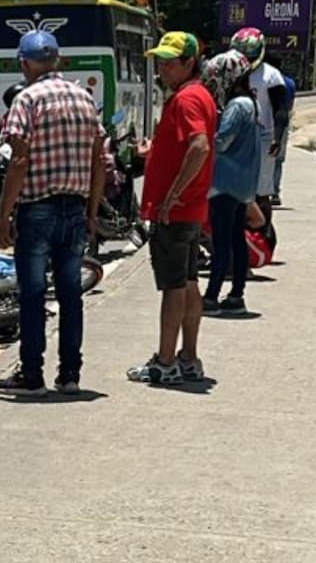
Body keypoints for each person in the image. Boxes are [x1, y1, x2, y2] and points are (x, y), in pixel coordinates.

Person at [0, 30, 104, 396]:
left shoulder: (27, 99)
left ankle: (32, 374)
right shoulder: (84, 98)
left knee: (33, 294)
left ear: (24, 63)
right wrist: (92, 210)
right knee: (71, 294)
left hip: (37, 209)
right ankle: (70, 374)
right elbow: (100, 159)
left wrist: (3, 218)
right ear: (57, 61)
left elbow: (18, 160)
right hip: (74, 209)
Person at [127, 31, 217, 386]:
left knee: (173, 287)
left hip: (176, 212)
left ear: (189, 62)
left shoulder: (186, 100)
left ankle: (165, 361)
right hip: (190, 209)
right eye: (160, 61)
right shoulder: (197, 95)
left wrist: (172, 195)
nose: (162, 68)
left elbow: (199, 146)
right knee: (190, 283)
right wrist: (155, 153)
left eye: (170, 61)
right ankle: (188, 357)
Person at [200, 50, 261, 317]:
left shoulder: (237, 106)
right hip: (243, 183)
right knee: (236, 239)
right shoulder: (250, 102)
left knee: (222, 242)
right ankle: (236, 294)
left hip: (226, 182)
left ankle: (211, 296)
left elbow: (221, 141)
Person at [230, 28, 289, 225]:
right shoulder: (229, 72)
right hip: (233, 137)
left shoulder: (271, 76)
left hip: (262, 137)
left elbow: (280, 109)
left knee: (260, 192)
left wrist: (277, 138)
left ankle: (263, 236)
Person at [272, 62, 297, 204]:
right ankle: (275, 192)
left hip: (266, 122)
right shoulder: (289, 82)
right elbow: (291, 105)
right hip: (283, 123)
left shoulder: (269, 80)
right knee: (278, 160)